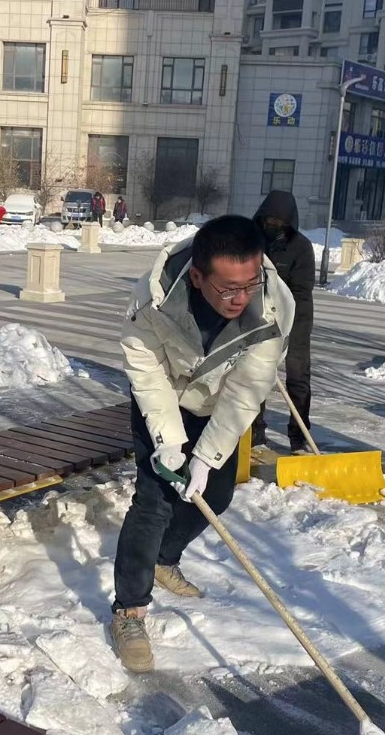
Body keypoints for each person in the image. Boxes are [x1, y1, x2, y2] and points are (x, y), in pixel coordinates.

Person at [111, 215, 294, 672]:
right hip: (165, 398)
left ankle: (164, 559)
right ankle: (129, 610)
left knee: (216, 493)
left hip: (218, 408)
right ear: (197, 276)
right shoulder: (151, 299)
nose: (240, 298)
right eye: (227, 289)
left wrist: (206, 457)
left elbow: (246, 392)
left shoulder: (272, 310)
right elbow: (147, 375)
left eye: (249, 284)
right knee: (153, 501)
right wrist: (170, 443)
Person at [250, 191, 315, 451]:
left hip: (296, 318)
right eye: (268, 220)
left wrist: (281, 311)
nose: (272, 226)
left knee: (297, 377)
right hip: (257, 316)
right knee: (257, 373)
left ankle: (299, 438)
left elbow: (301, 290)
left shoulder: (301, 247)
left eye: (278, 222)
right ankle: (255, 434)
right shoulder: (253, 241)